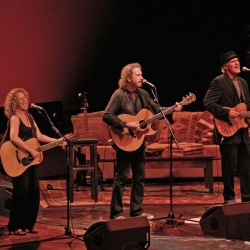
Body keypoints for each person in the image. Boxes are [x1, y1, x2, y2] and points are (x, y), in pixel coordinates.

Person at [102, 62, 182, 220]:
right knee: (122, 177)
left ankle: (137, 211)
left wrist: (172, 108)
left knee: (139, 176)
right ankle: (116, 213)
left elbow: (155, 109)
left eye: (141, 74)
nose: (142, 77)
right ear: (128, 78)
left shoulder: (144, 94)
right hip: (124, 141)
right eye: (138, 75)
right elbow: (107, 115)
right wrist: (126, 124)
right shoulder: (119, 95)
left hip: (139, 141)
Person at [3, 88, 65, 235]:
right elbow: (13, 137)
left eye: (25, 98)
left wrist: (58, 141)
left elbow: (39, 135)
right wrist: (30, 150)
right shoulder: (15, 118)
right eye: (20, 99)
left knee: (33, 192)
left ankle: (29, 224)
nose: (25, 101)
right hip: (18, 159)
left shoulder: (30, 116)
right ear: (14, 102)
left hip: (31, 161)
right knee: (21, 192)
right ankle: (15, 225)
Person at [203, 51, 250, 204]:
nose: (237, 63)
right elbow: (208, 103)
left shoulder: (243, 82)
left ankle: (247, 197)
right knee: (229, 167)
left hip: (242, 130)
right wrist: (227, 113)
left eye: (237, 60)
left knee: (246, 166)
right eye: (233, 61)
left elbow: (245, 106)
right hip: (228, 129)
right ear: (225, 67)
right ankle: (229, 197)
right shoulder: (219, 81)